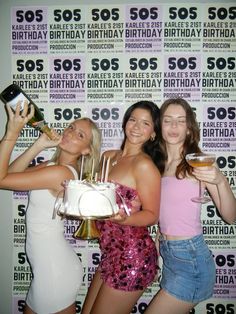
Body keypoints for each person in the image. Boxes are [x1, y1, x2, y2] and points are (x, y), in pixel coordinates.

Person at [0, 101, 101, 314]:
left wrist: (12, 131)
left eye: (80, 136)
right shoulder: (52, 167)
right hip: (49, 268)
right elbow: (10, 172)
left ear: (86, 150)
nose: (71, 133)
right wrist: (38, 145)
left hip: (54, 271)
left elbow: (1, 180)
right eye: (71, 127)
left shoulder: (62, 173)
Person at [145, 98, 236, 314]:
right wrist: (157, 256)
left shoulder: (200, 161)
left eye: (181, 121)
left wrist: (220, 181)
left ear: (189, 128)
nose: (174, 126)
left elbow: (231, 216)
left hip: (191, 260)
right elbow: (165, 218)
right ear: (160, 126)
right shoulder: (156, 164)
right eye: (168, 120)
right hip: (169, 256)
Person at [81, 100, 161, 314]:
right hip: (110, 252)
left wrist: (124, 219)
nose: (136, 126)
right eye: (133, 119)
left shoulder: (144, 165)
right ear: (125, 122)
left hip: (133, 256)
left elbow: (152, 215)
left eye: (145, 123)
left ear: (153, 133)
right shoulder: (108, 157)